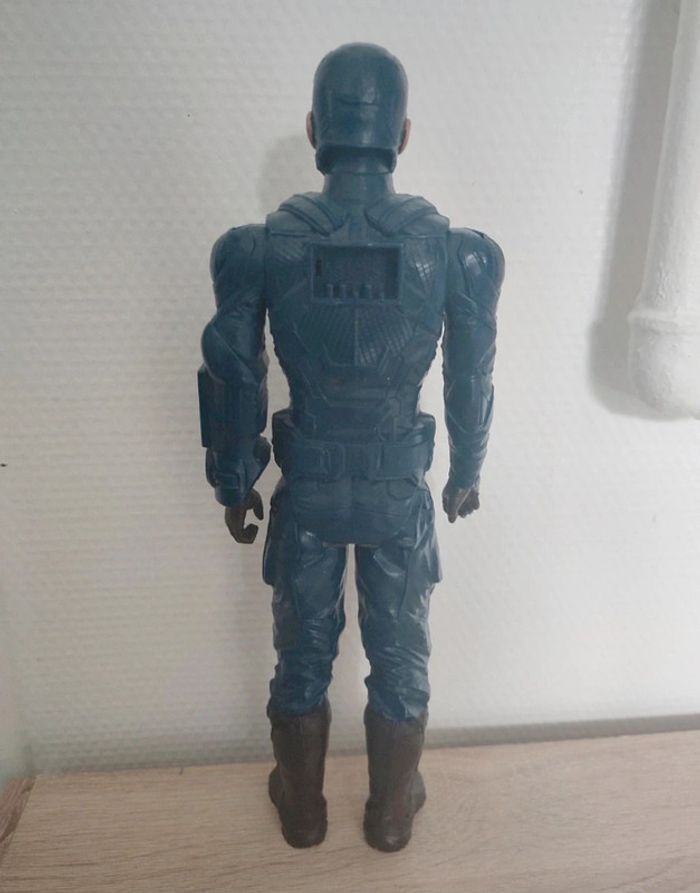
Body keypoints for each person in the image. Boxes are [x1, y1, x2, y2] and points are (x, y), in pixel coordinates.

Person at [198, 42, 504, 852]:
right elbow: (471, 377)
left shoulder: (259, 247)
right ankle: (391, 812)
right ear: (401, 135)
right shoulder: (458, 254)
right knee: (399, 655)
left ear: (313, 130)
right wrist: (467, 472)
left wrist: (235, 480)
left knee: (301, 653)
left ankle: (303, 811)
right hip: (398, 494)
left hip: (309, 492)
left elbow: (234, 373)